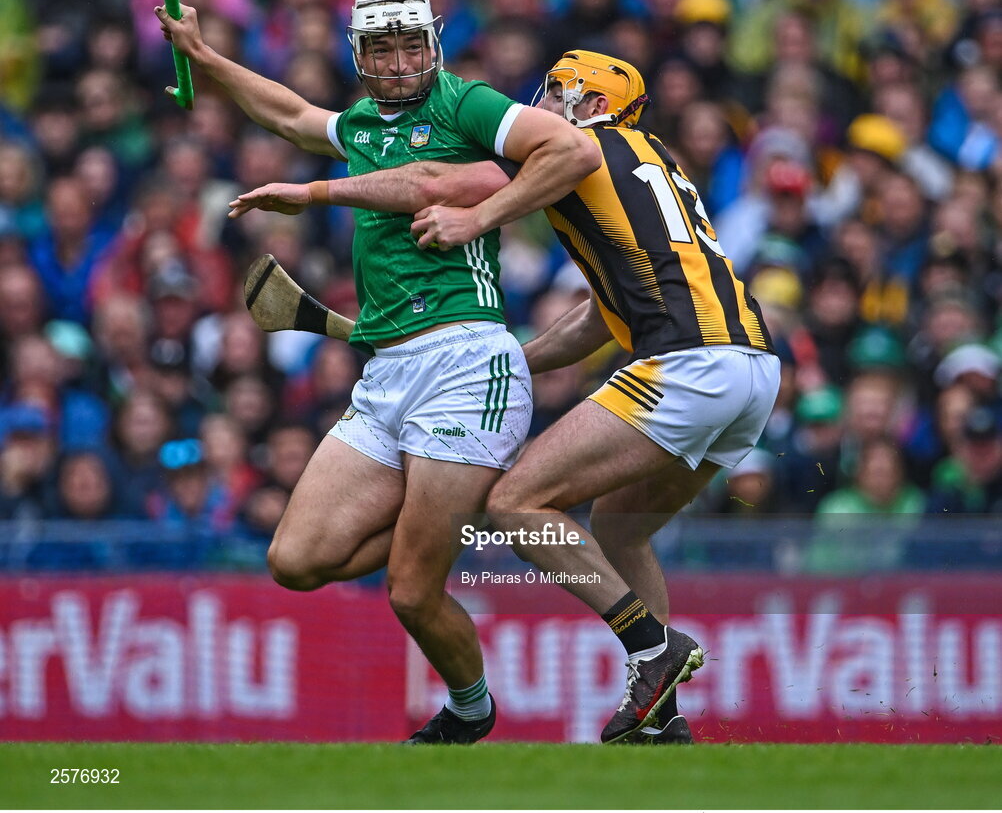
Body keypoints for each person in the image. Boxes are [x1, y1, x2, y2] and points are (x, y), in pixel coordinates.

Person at [231, 50, 780, 743]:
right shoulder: (651, 159)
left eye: (556, 91)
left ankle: (652, 647)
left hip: (687, 366)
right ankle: (657, 716)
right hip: (752, 370)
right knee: (621, 531)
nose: (540, 103)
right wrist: (519, 359)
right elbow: (597, 314)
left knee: (517, 502)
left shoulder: (576, 149)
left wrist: (470, 218)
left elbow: (446, 179)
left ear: (588, 104)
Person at [156, 0, 599, 745]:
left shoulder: (466, 106)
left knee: (408, 591)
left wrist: (478, 215)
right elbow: (290, 114)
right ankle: (442, 507)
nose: (399, 63)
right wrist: (204, 56)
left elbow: (571, 149)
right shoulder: (361, 123)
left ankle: (470, 710)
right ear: (359, 55)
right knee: (294, 561)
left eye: (410, 43)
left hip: (465, 360)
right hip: (385, 375)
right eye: (382, 48)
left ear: (433, 41)